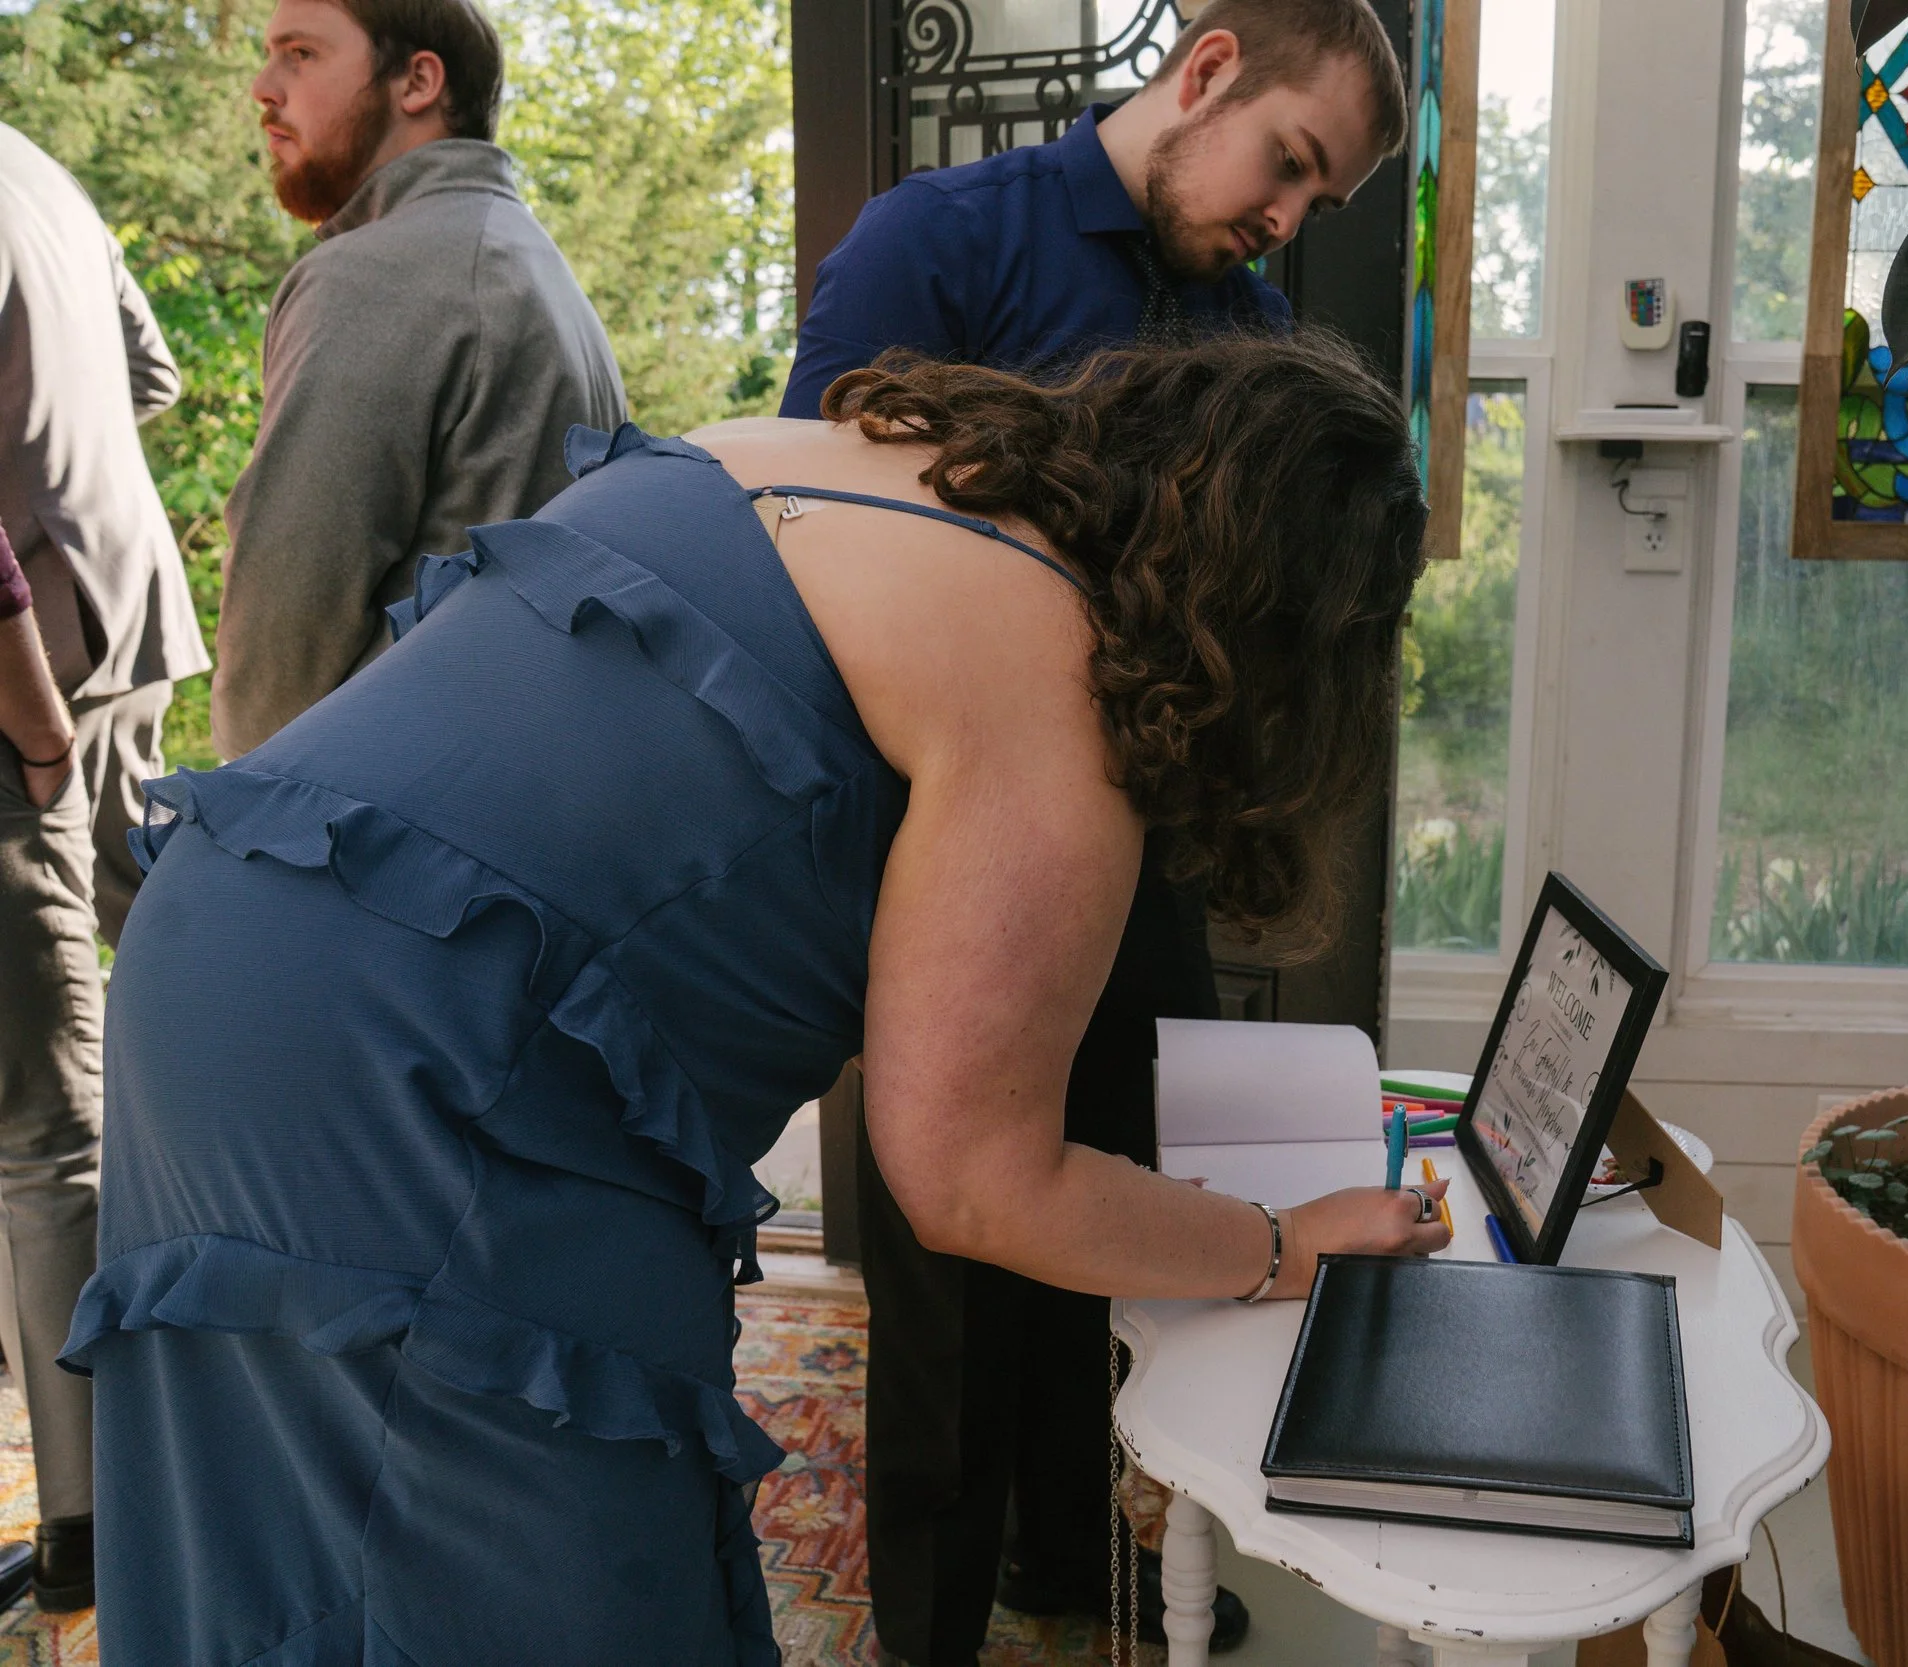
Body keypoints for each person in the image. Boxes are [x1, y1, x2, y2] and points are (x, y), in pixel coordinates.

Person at [71, 331, 1441, 1666]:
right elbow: (974, 1182)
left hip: (224, 935)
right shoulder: (1052, 672)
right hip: (420, 1074)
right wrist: (1280, 1244)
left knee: (287, 1551)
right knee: (553, 1585)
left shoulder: (833, 450)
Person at [779, 4, 1407, 1656]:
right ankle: (925, 1627)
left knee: (1108, 1212)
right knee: (953, 1268)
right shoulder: (941, 246)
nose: (1289, 219)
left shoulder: (1256, 339)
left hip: (1139, 854)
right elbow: (814, 535)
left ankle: (1070, 1567)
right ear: (1207, 72)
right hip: (942, 851)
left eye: (1321, 201)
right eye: (1291, 164)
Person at [0, 117, 214, 1612]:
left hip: (21, 680)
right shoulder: (41, 169)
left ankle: (90, 1521)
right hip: (127, 619)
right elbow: (152, 374)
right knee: (181, 978)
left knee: (40, 1110)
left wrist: (26, 721)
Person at [213, 0, 625, 760]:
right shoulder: (527, 259)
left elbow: (280, 645)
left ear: (417, 81)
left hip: (374, 829)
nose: (262, 88)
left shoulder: (374, 275)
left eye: (300, 54)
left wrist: (237, 845)